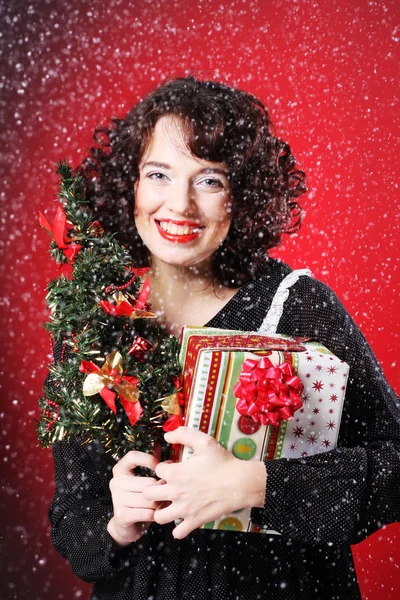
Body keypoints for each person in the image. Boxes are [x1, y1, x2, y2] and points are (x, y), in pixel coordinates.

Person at [48, 76, 400, 600]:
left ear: (242, 195)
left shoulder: (298, 306)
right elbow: (73, 516)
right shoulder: (95, 320)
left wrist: (256, 485)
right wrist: (116, 524)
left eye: (209, 180)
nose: (180, 205)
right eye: (158, 174)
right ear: (131, 185)